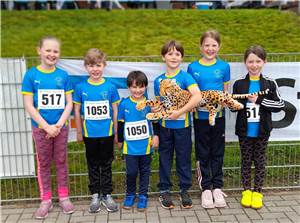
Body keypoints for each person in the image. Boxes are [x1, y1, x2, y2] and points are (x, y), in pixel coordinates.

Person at [21, 36, 75, 219]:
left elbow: (69, 104)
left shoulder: (63, 76)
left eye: (56, 51)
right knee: (43, 163)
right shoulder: (31, 75)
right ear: (39, 51)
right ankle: (45, 200)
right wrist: (46, 126)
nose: (52, 54)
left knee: (61, 161)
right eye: (48, 50)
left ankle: (63, 196)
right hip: (40, 129)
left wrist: (58, 125)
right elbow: (28, 105)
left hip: (60, 128)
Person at [233, 45, 285, 209]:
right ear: (245, 62)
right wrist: (237, 103)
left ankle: (257, 192)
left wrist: (259, 101)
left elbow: (280, 105)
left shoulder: (269, 83)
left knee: (260, 162)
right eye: (250, 61)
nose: (254, 65)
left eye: (258, 61)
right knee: (246, 161)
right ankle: (246, 191)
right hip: (245, 131)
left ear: (264, 62)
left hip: (262, 132)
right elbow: (233, 106)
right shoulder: (239, 83)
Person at [154, 40, 202, 209]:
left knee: (183, 159)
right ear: (163, 57)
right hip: (165, 128)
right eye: (170, 53)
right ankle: (165, 190)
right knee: (165, 159)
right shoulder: (158, 81)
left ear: (181, 58)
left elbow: (197, 96)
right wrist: (156, 132)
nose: (174, 57)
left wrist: (180, 112)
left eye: (177, 54)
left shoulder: (185, 77)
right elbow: (157, 106)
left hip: (183, 128)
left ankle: (184, 190)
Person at [73, 48, 120, 213]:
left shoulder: (110, 87)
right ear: (86, 67)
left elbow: (115, 111)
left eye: (98, 65)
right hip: (89, 134)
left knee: (106, 164)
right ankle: (95, 194)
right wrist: (79, 131)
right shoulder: (80, 88)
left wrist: (116, 132)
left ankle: (106, 194)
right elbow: (77, 111)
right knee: (92, 164)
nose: (95, 69)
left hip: (106, 134)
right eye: (91, 65)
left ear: (104, 65)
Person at [187, 30, 230, 209]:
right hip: (200, 118)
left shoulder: (224, 67)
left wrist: (219, 106)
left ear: (219, 47)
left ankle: (217, 187)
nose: (210, 48)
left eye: (214, 45)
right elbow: (191, 93)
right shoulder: (192, 67)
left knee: (217, 152)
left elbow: (226, 93)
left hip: (218, 118)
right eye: (207, 45)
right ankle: (205, 188)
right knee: (203, 151)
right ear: (200, 47)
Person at [117, 71, 159, 211]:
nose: (137, 90)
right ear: (129, 87)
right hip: (130, 147)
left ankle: (143, 195)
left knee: (145, 171)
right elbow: (121, 123)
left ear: (146, 87)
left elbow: (154, 121)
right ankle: (130, 195)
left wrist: (156, 136)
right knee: (131, 172)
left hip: (145, 146)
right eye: (134, 87)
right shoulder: (124, 104)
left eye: (141, 87)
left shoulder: (149, 104)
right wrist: (120, 140)